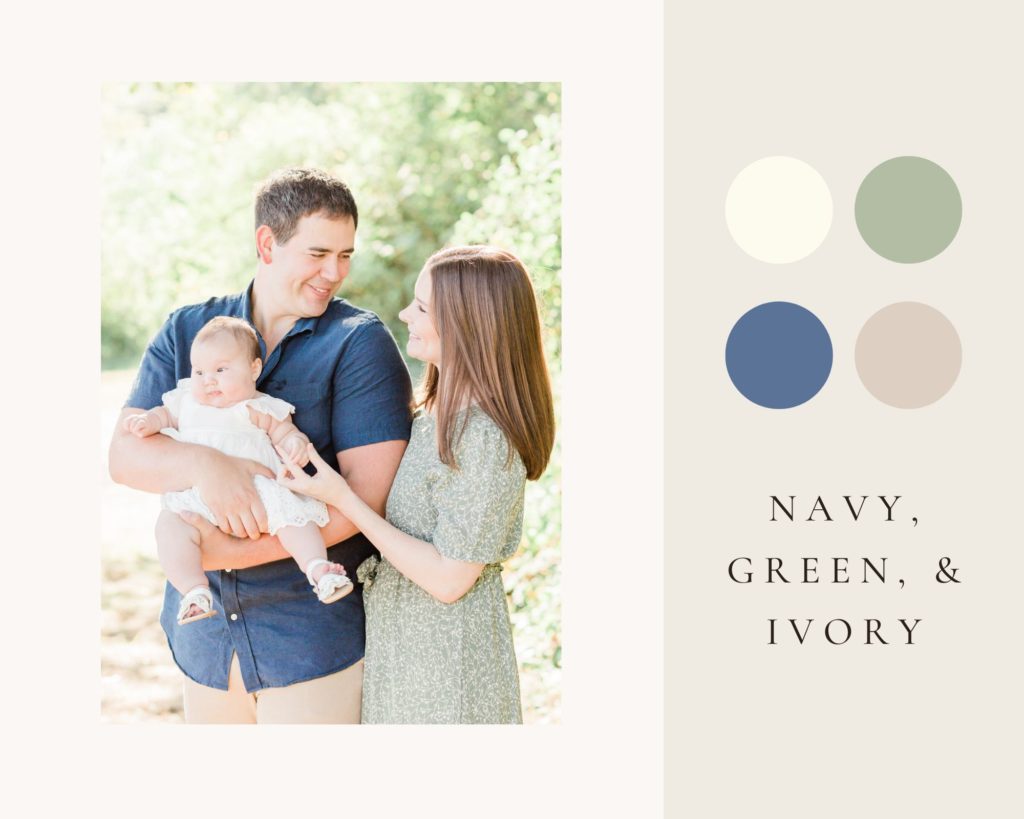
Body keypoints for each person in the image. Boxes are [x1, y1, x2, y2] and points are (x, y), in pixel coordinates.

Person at [108, 168, 413, 724]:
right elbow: (125, 457)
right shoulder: (186, 331)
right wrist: (206, 464)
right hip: (205, 643)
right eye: (318, 253)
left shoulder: (359, 344)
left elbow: (368, 501)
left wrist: (222, 552)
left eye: (346, 255)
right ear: (267, 243)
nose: (335, 273)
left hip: (308, 639)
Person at [277, 245, 555, 724]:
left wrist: (343, 497)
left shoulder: (485, 438)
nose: (405, 314)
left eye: (422, 307)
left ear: (470, 324)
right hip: (407, 661)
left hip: (449, 677)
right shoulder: (434, 418)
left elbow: (450, 579)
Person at [122, 316, 352, 626]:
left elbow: (284, 433)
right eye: (199, 371)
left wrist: (296, 442)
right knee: (170, 528)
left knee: (295, 519)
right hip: (197, 497)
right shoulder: (187, 402)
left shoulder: (260, 407)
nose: (208, 380)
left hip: (260, 492)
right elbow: (163, 415)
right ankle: (194, 591)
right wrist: (148, 421)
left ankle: (317, 568)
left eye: (220, 370)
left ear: (254, 369)